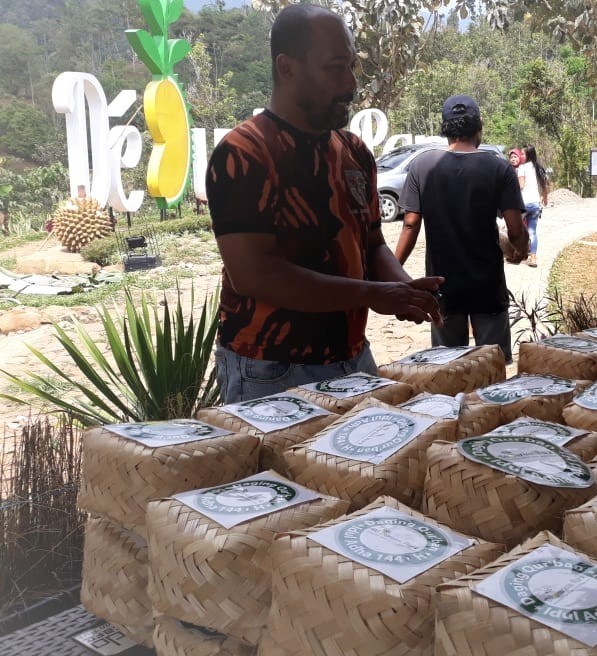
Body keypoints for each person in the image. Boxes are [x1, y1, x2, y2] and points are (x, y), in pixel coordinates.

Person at [205, 4, 442, 403]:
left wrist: (406, 290)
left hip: (352, 358)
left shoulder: (354, 152)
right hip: (270, 369)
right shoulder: (244, 153)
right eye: (335, 67)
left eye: (351, 66)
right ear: (287, 67)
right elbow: (255, 275)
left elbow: (371, 245)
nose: (350, 83)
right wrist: (373, 294)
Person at [395, 95, 529, 364]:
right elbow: (515, 229)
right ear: (479, 128)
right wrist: (521, 250)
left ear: (445, 129)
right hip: (488, 288)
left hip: (443, 289)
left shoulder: (422, 166)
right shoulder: (499, 168)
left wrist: (393, 268)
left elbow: (410, 224)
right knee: (492, 368)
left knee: (448, 370)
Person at [518, 144, 549, 268]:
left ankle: (517, 254)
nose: (521, 155)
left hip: (523, 204)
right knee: (532, 231)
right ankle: (533, 259)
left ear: (529, 155)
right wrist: (545, 197)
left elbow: (520, 186)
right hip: (535, 204)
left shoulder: (522, 167)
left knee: (517, 230)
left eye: (523, 153)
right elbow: (545, 184)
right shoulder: (538, 168)